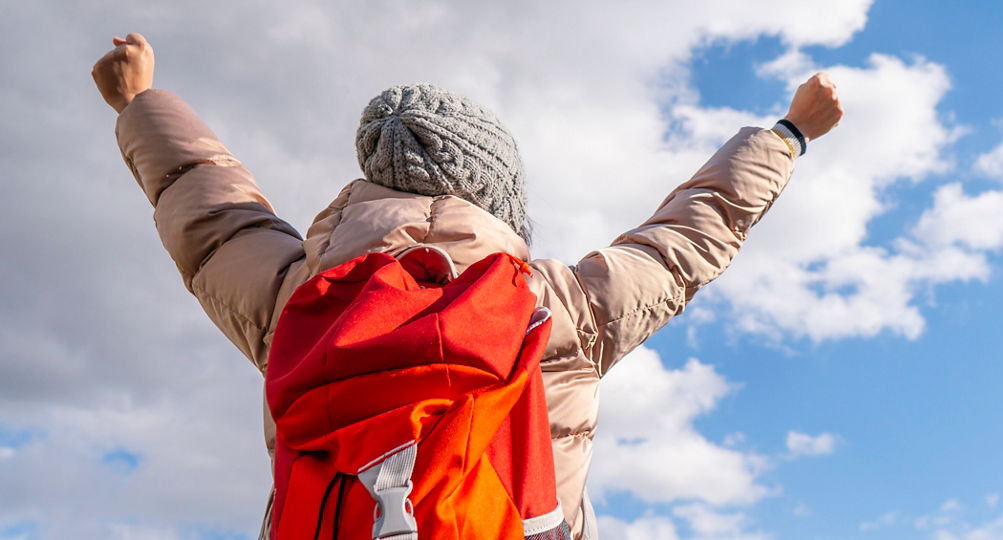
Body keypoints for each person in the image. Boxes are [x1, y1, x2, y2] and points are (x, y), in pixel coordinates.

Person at [92, 32, 843, 539]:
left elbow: (212, 210)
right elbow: (692, 231)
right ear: (503, 197)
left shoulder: (301, 302)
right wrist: (788, 133)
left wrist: (139, 103)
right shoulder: (562, 309)